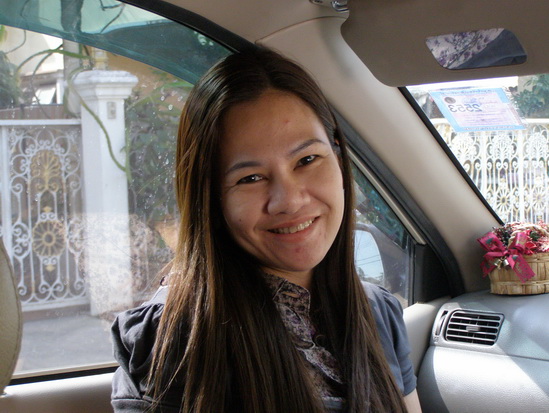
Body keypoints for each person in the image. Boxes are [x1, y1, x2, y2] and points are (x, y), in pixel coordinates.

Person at [111, 47, 422, 413]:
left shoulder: (376, 312)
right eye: (251, 178)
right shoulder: (177, 336)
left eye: (307, 159)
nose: (289, 201)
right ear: (210, 198)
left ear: (338, 157)